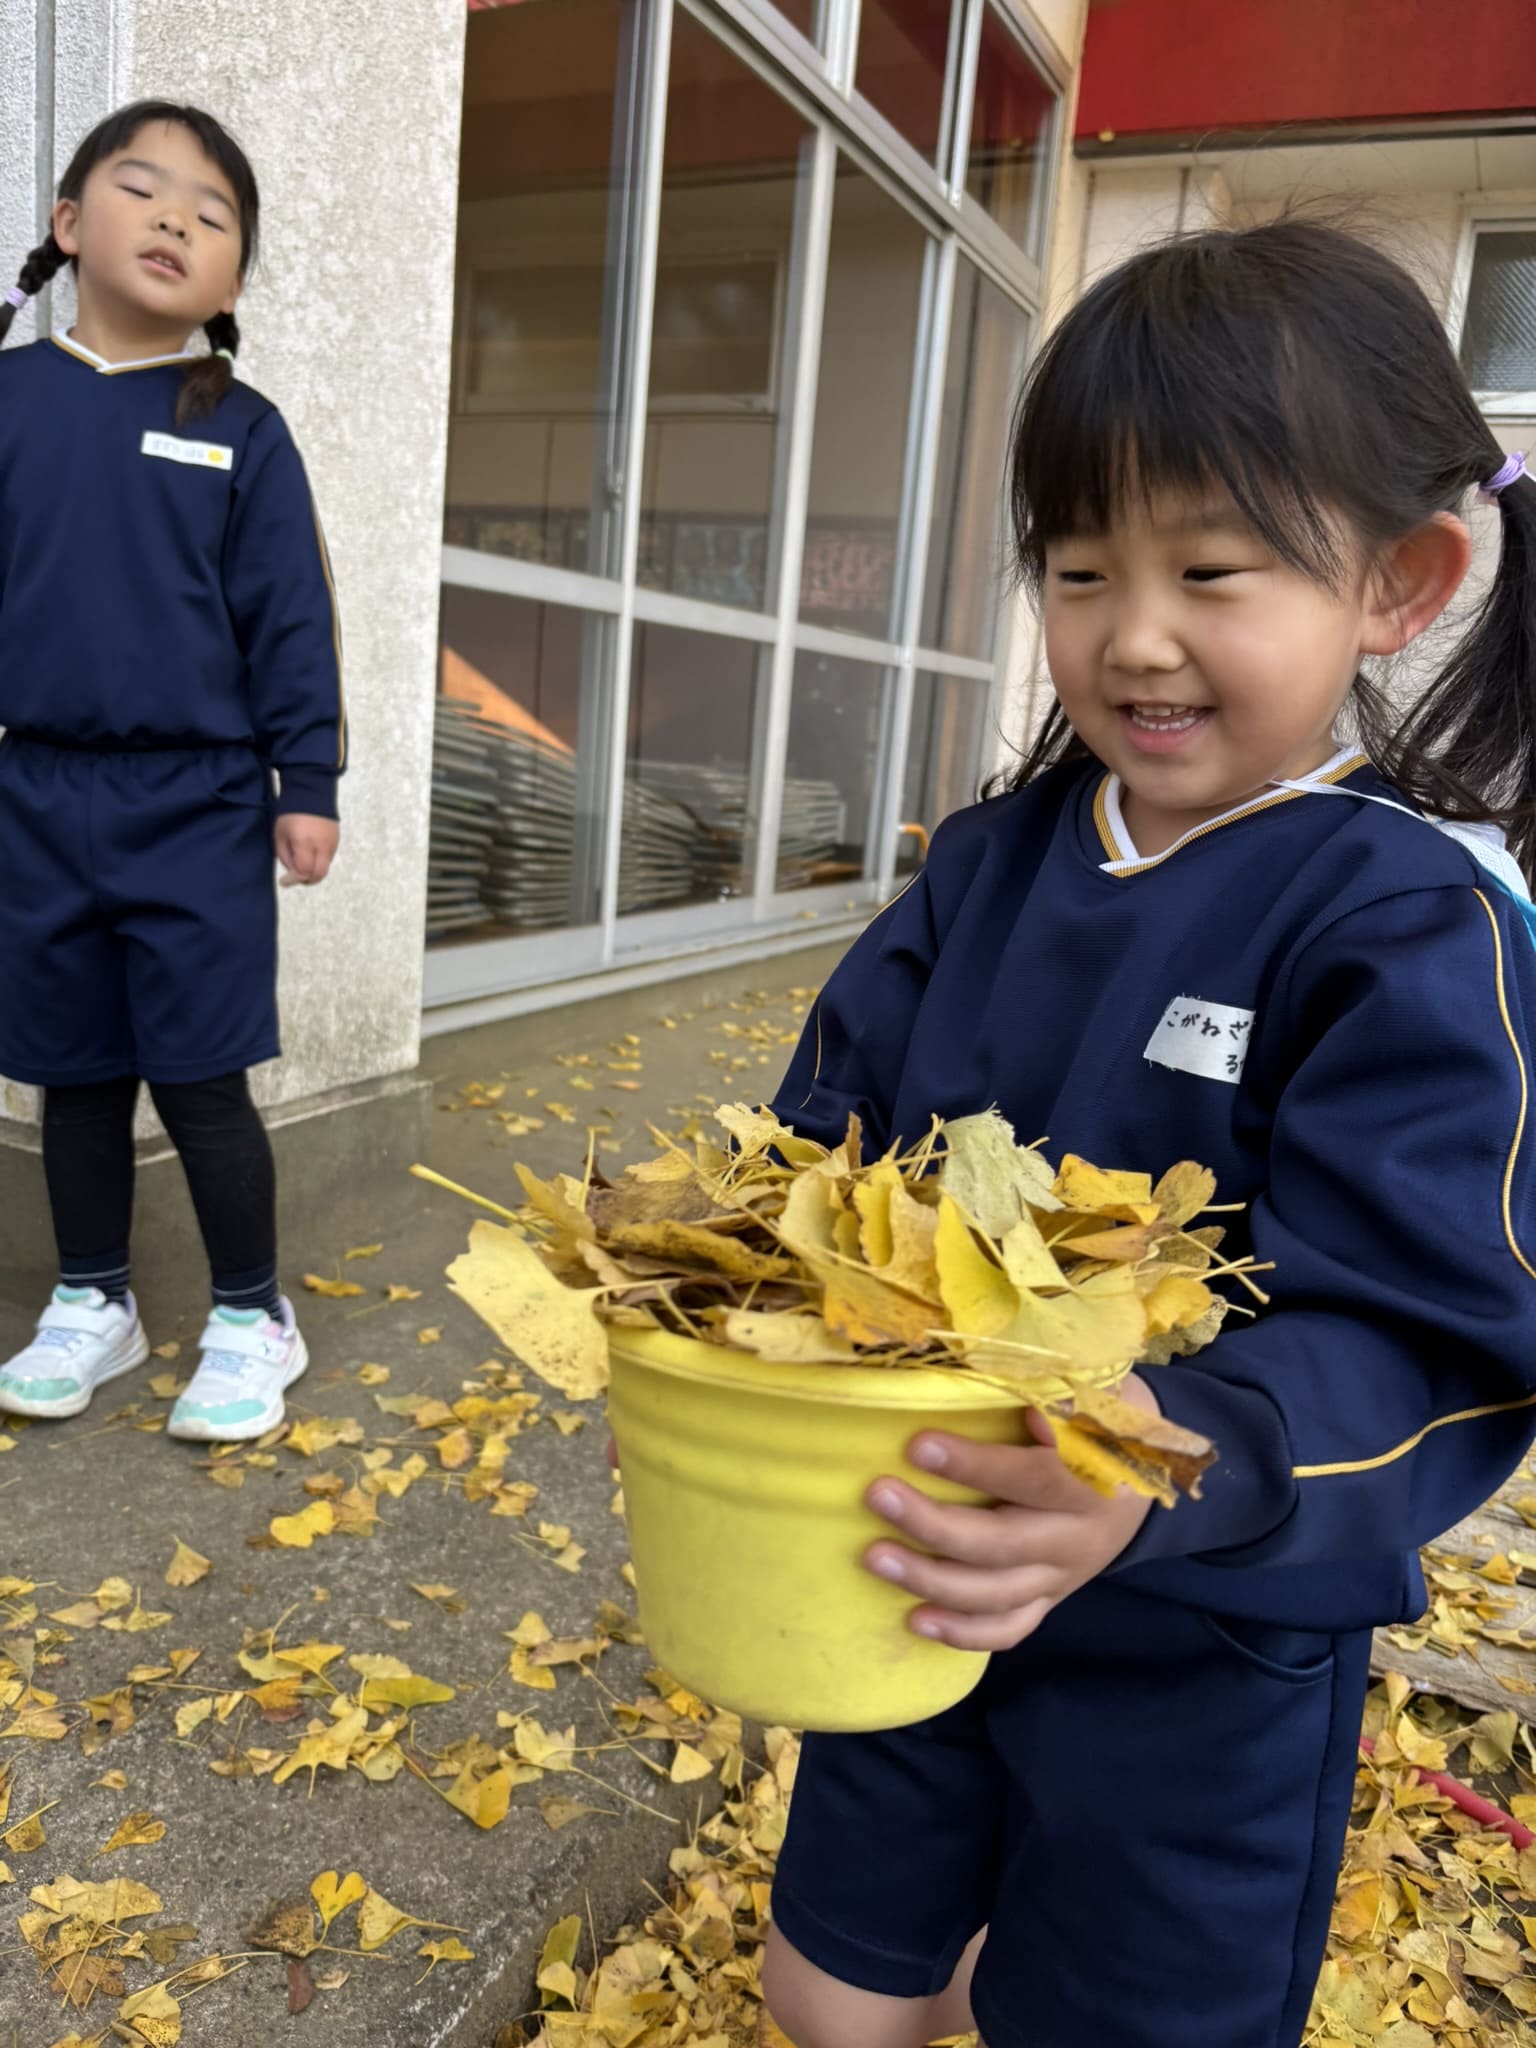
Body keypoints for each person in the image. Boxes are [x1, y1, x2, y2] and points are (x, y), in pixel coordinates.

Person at [759, 218, 1536, 2048]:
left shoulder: (1408, 918)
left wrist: (1170, 1463)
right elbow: (815, 1146)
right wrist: (704, 1284)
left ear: (1401, 583)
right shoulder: (986, 864)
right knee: (831, 1996)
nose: (1136, 637)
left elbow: (1441, 1337)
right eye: (1082, 567)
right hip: (920, 1572)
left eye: (1212, 569)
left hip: (1209, 1640)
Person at [0, 101, 344, 1443]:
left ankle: (255, 1313)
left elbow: (290, 620)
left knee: (200, 1076)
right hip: (35, 798)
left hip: (198, 803)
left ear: (231, 280)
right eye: (140, 192)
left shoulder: (240, 429)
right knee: (71, 1075)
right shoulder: (13, 401)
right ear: (70, 226)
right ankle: (95, 1299)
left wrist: (303, 782)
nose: (173, 221)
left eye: (209, 216)